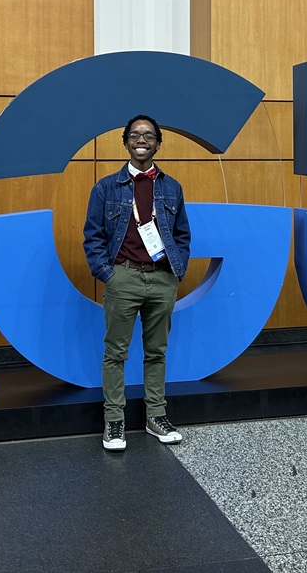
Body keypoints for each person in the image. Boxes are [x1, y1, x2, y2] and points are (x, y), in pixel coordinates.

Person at [83, 114, 191, 451]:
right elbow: (93, 237)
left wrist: (176, 271)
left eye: (148, 135)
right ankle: (114, 422)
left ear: (158, 143)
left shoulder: (172, 187)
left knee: (156, 353)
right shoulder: (105, 187)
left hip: (162, 279)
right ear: (126, 142)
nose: (141, 140)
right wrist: (108, 275)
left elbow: (182, 235)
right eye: (134, 135)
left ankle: (154, 417)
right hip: (123, 277)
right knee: (115, 353)